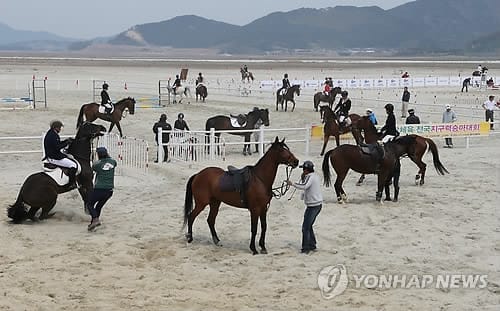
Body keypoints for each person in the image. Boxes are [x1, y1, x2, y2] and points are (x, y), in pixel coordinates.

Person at [286, 160, 323, 254]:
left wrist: (292, 184)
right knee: (308, 226)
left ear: (306, 170)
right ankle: (312, 244)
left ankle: (306, 248)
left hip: (313, 206)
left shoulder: (310, 177)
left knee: (305, 227)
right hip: (315, 205)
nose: (303, 171)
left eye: (303, 169)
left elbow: (305, 186)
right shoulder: (314, 176)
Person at [86, 147, 117, 231]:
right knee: (98, 206)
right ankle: (93, 222)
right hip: (109, 190)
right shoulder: (113, 162)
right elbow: (112, 163)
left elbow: (93, 168)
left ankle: (95, 219)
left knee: (89, 204)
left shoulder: (97, 165)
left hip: (99, 188)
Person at [43, 120, 77, 188]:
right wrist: (67, 143)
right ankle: (71, 183)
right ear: (56, 128)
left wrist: (66, 140)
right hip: (54, 157)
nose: (60, 129)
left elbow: (57, 144)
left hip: (54, 155)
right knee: (73, 165)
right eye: (59, 128)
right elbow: (57, 147)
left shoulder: (52, 133)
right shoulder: (53, 135)